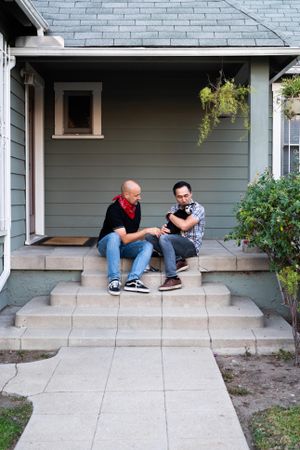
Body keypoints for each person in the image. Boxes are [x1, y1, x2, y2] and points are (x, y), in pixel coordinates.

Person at [97, 180, 161, 295]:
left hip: (124, 247)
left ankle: (133, 280)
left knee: (148, 245)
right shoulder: (114, 209)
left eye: (139, 194)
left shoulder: (136, 206)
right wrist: (146, 231)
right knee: (114, 237)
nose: (140, 198)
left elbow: (132, 235)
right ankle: (114, 280)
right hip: (107, 246)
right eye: (137, 195)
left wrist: (142, 256)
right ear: (126, 195)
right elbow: (125, 238)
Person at [145, 181, 205, 291]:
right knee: (150, 236)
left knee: (165, 238)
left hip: (191, 246)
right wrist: (163, 229)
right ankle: (178, 260)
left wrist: (169, 215)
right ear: (175, 197)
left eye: (186, 195)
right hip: (175, 241)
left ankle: (173, 278)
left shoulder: (198, 208)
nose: (183, 199)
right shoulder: (174, 208)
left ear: (191, 193)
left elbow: (184, 226)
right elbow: (171, 227)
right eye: (180, 197)